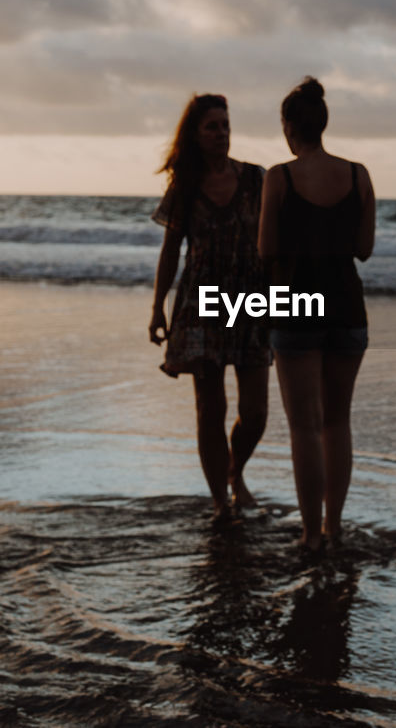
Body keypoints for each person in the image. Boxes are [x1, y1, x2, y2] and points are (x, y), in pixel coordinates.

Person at [259, 77, 375, 551]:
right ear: (322, 123)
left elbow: (266, 248)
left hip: (296, 305)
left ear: (289, 127)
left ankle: (309, 536)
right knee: (337, 422)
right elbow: (364, 249)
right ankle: (334, 529)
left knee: (304, 425)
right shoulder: (358, 173)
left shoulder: (279, 177)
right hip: (347, 304)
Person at [150, 93, 270, 519]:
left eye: (225, 125)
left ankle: (235, 473)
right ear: (195, 134)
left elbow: (277, 242)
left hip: (252, 300)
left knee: (255, 413)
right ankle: (221, 501)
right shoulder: (184, 188)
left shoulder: (257, 179)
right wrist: (157, 309)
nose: (221, 133)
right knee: (211, 409)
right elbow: (169, 252)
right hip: (200, 303)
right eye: (212, 126)